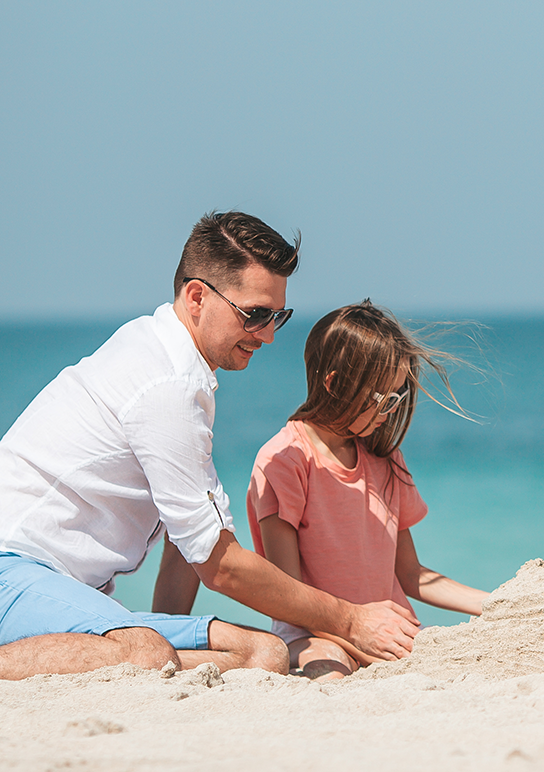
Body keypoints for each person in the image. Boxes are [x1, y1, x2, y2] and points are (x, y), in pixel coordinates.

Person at [0, 212, 417, 680]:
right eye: (255, 315)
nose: (268, 335)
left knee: (261, 653)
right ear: (197, 297)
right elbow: (222, 567)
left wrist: (172, 630)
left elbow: (190, 542)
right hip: (12, 571)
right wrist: (351, 620)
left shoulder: (164, 355)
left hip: (47, 585)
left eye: (278, 316)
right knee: (150, 653)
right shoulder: (166, 384)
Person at [247, 301, 489, 679]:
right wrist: (360, 638)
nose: (390, 411)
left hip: (389, 633)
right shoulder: (284, 461)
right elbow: (287, 594)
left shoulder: (385, 459)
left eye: (397, 397)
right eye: (382, 399)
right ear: (333, 384)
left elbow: (411, 575)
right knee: (329, 668)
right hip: (314, 635)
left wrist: (497, 603)